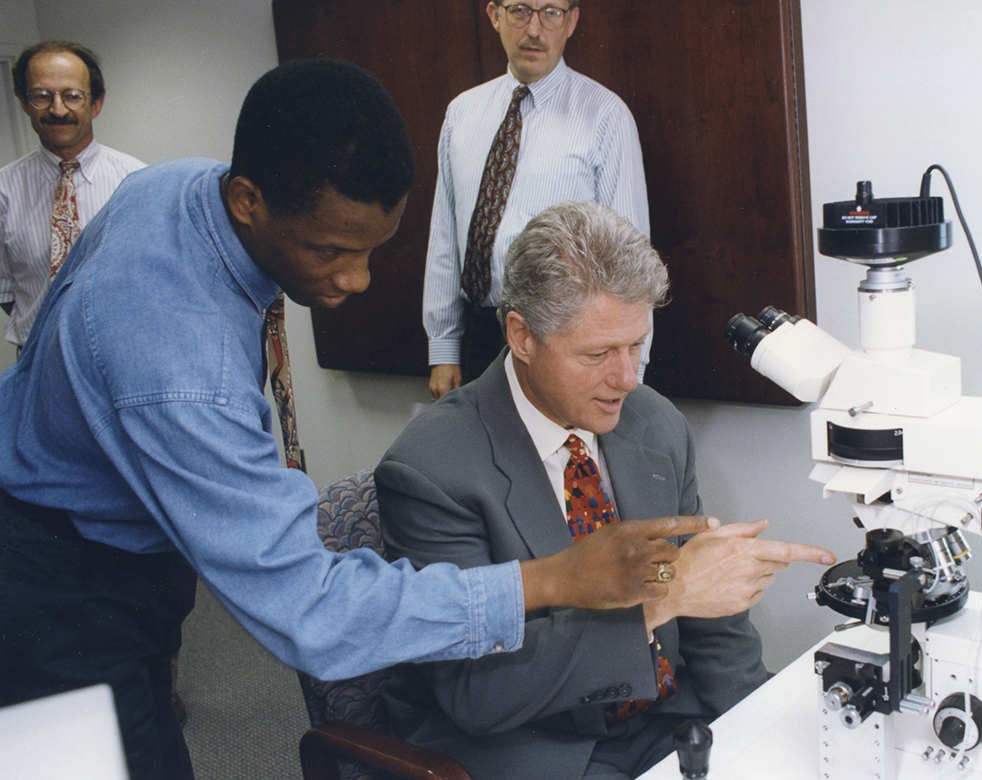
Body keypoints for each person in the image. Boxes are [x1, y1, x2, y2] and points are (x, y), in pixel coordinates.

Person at [0, 60, 715, 780]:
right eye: (330, 250)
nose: (356, 280)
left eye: (373, 248)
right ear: (248, 199)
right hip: (55, 586)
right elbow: (311, 614)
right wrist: (552, 581)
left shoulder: (170, 184)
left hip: (108, 546)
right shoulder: (186, 375)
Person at [377, 200, 837, 780]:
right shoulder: (431, 468)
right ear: (521, 335)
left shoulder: (655, 423)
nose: (626, 378)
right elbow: (480, 694)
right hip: (526, 743)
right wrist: (665, 599)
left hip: (660, 713)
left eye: (635, 346)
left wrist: (773, 728)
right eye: (596, 354)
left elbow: (703, 610)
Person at [424, 0, 651, 399]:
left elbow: (630, 263)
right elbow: (445, 235)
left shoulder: (605, 116)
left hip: (563, 337)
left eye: (551, 12)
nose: (534, 29)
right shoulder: (462, 113)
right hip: (479, 338)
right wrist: (443, 349)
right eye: (520, 11)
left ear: (571, 20)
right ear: (495, 15)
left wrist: (632, 369)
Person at [0, 40, 145, 350]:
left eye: (72, 96)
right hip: (37, 358)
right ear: (24, 103)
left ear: (96, 103)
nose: (57, 109)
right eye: (41, 96)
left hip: (120, 351)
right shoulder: (4, 191)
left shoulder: (137, 181)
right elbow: (5, 291)